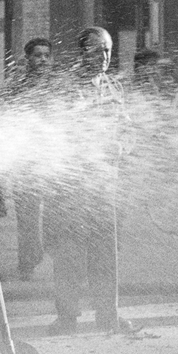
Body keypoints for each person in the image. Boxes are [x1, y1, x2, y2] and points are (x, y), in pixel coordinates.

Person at [44, 26, 129, 335]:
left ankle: (108, 315)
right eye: (96, 51)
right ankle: (67, 318)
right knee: (69, 255)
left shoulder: (114, 88)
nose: (103, 57)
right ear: (82, 53)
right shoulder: (64, 88)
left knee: (106, 255)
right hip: (71, 189)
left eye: (107, 51)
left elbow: (126, 129)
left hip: (105, 185)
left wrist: (124, 145)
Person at [10, 37, 53, 278]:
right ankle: (26, 264)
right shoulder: (17, 86)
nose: (43, 60)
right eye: (38, 55)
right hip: (26, 162)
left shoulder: (58, 85)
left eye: (47, 55)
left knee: (55, 215)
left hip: (53, 160)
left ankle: (60, 263)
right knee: (27, 217)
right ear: (28, 59)